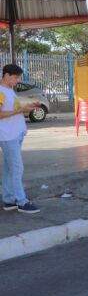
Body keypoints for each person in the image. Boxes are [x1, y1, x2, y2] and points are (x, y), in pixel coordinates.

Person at [0, 64, 41, 214]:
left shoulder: (9, 90)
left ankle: (9, 199)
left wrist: (26, 107)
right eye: (16, 77)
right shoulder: (1, 91)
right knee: (17, 168)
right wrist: (21, 110)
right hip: (7, 135)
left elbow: (13, 110)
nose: (17, 81)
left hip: (15, 134)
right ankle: (21, 201)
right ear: (6, 75)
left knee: (10, 169)